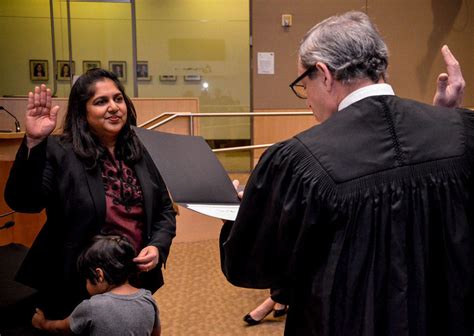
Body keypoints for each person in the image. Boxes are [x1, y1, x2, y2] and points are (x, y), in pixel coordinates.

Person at [220, 11, 470, 336]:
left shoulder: (299, 160)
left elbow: (251, 267)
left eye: (303, 84)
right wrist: (446, 122)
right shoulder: (462, 133)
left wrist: (239, 214)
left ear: (324, 74)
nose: (306, 100)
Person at [4, 68, 176, 323]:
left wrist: (157, 247)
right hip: (76, 282)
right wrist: (34, 142)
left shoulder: (138, 149)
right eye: (100, 101)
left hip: (132, 277)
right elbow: (24, 202)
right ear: (82, 112)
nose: (114, 107)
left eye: (118, 99)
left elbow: (164, 209)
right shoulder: (59, 150)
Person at [32, 234, 161, 335]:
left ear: (99, 275)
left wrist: (43, 323)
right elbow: (155, 333)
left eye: (87, 278)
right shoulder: (148, 299)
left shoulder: (92, 306)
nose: (86, 283)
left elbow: (61, 329)